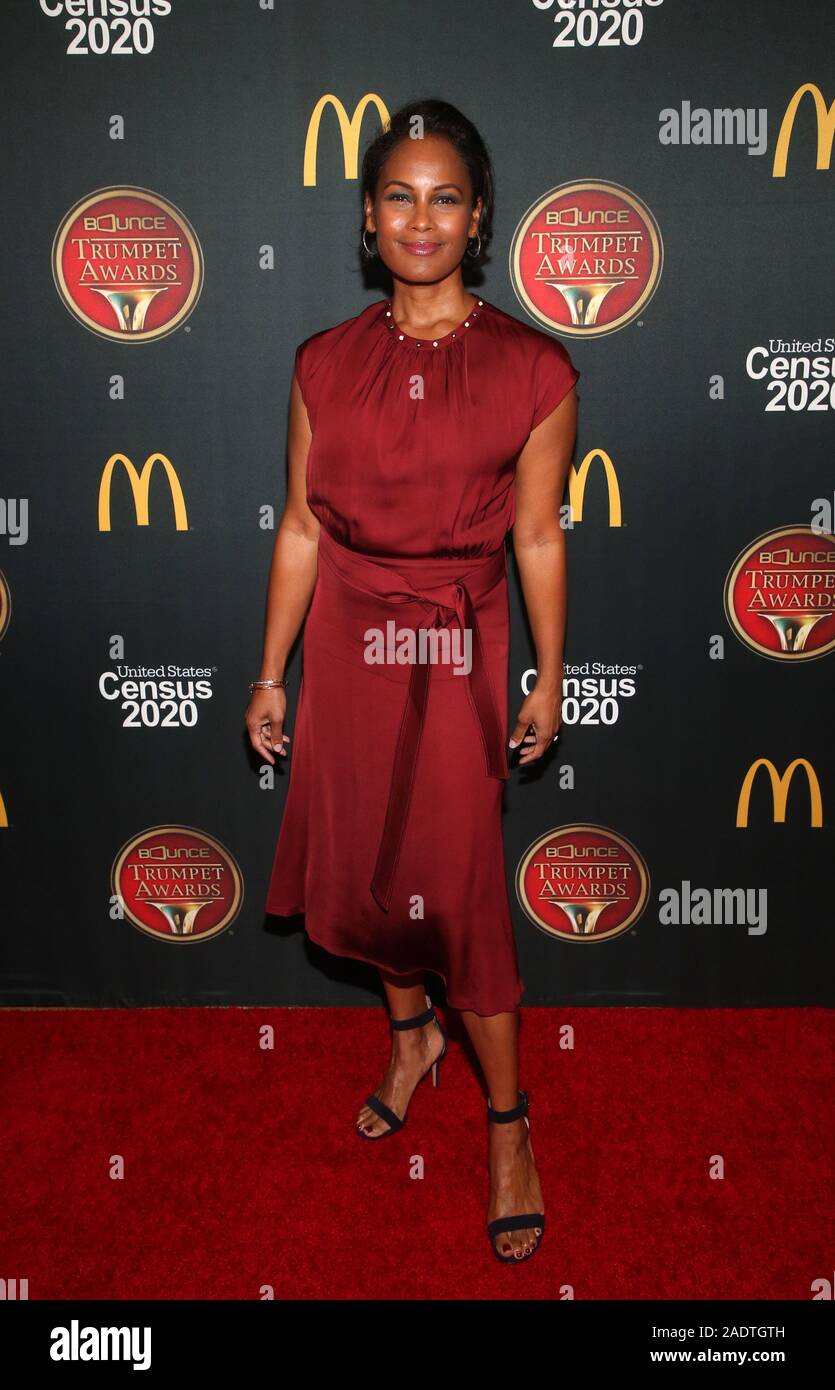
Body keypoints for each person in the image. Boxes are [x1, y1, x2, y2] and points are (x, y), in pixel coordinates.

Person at [246, 99, 579, 1264]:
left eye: (445, 196)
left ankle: (507, 1124)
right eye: (398, 195)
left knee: (460, 890)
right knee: (371, 877)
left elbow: (536, 537)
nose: (420, 217)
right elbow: (297, 527)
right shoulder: (322, 364)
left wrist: (545, 672)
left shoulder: (533, 368)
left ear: (477, 215)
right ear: (368, 215)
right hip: (347, 638)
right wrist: (270, 672)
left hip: (455, 639)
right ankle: (409, 1041)